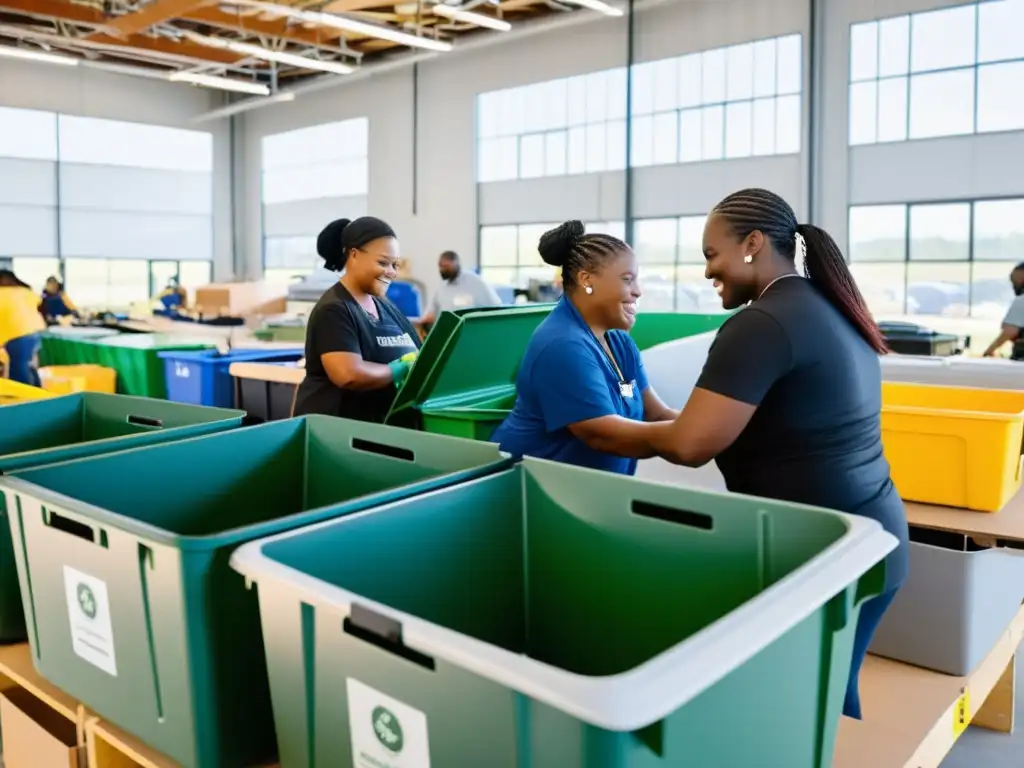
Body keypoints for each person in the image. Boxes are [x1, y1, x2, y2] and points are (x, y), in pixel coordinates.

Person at [490, 221, 678, 475]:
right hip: (533, 491)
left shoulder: (619, 343)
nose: (638, 291)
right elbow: (603, 436)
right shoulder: (562, 345)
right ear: (586, 279)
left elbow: (656, 414)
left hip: (593, 492)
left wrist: (711, 427)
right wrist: (687, 438)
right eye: (627, 279)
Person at [293, 216, 421, 422]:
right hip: (337, 435)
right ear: (353, 255)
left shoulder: (386, 306)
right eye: (382, 262)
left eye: (395, 265)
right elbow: (348, 374)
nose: (391, 272)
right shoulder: (334, 309)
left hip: (379, 431)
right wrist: (398, 369)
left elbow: (418, 351)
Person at [420, 251, 502, 327]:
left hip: (471, 328)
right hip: (447, 329)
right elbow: (432, 309)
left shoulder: (476, 283)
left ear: (456, 264)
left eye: (446, 267)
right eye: (441, 266)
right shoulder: (441, 285)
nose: (442, 270)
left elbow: (495, 308)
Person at [0, 269, 46, 385]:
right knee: (29, 366)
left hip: (17, 335)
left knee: (18, 370)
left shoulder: (2, 293)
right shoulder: (25, 291)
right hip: (35, 333)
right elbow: (38, 302)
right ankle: (38, 394)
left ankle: (24, 399)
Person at [983, 262, 1024, 358]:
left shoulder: (1021, 301)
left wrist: (989, 351)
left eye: (1015, 281)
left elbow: (1010, 331)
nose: (1013, 285)